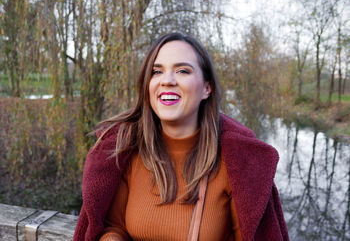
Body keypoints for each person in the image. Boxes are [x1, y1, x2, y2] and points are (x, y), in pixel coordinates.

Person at [73, 32, 289, 241]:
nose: (167, 80)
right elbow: (114, 226)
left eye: (183, 71)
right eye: (157, 71)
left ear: (207, 88)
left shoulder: (238, 162)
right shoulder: (125, 148)